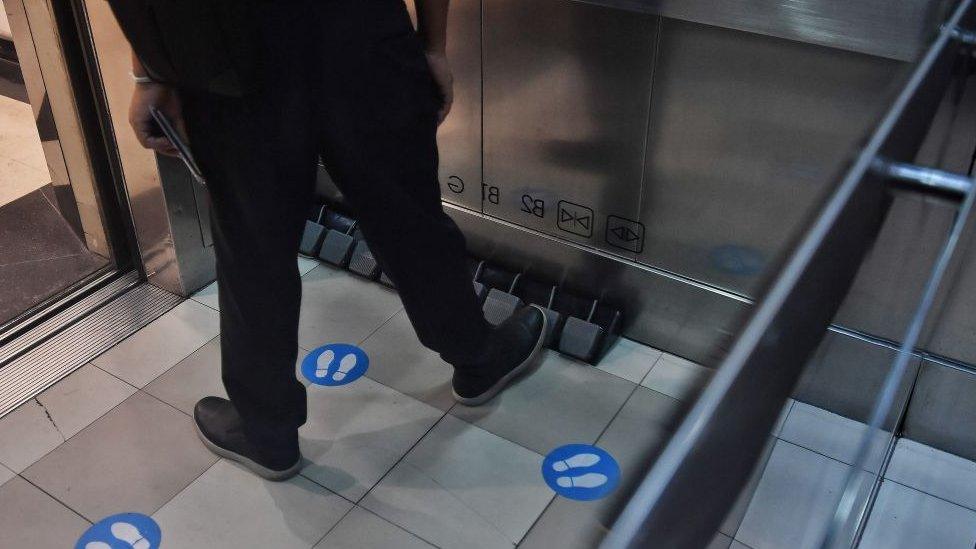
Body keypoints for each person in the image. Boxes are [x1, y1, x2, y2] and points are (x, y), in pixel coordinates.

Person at [108, 0, 547, 481]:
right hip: (361, 36)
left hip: (228, 61)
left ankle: (266, 428)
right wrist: (433, 47)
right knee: (407, 213)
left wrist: (152, 74)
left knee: (253, 245)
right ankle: (476, 355)